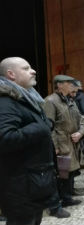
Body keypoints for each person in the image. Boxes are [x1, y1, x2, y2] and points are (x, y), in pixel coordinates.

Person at [0, 57, 60, 224]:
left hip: (32, 184)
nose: (33, 71)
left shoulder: (26, 98)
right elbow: (5, 138)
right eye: (26, 68)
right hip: (20, 188)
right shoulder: (5, 101)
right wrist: (41, 127)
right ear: (11, 74)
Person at [43, 74, 84, 207]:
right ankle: (64, 199)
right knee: (63, 172)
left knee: (72, 171)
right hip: (62, 144)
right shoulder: (50, 101)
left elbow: (81, 120)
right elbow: (48, 127)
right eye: (69, 83)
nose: (72, 86)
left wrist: (80, 133)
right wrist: (55, 146)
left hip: (74, 142)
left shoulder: (70, 100)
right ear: (59, 85)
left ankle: (68, 195)